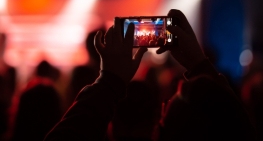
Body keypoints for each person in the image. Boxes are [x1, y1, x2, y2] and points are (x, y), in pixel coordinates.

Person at [44, 9, 257, 141]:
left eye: (164, 117)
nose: (162, 109)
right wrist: (199, 64)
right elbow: (239, 130)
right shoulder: (234, 129)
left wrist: (109, 82)